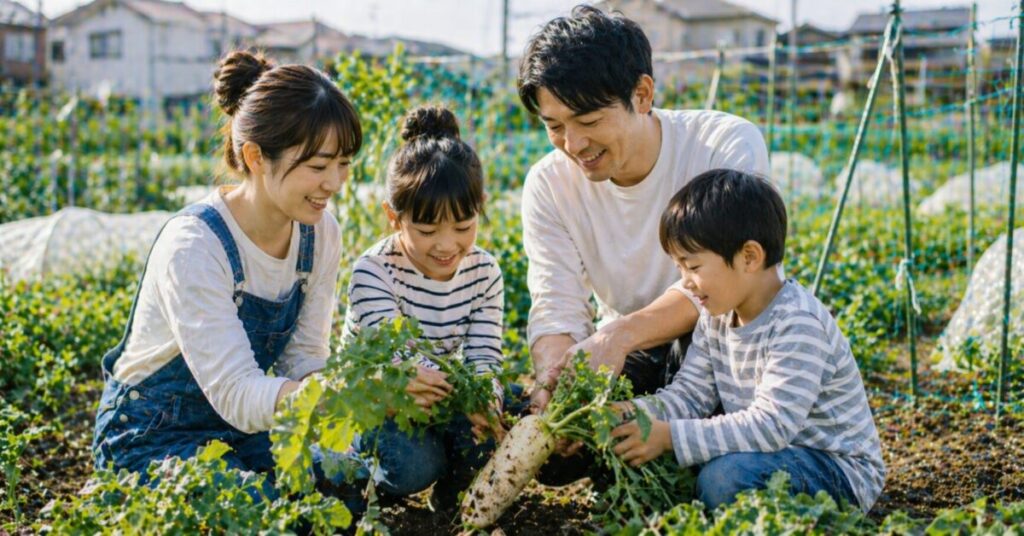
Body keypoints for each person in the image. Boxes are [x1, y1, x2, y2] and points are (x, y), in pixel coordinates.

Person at [92, 50, 361, 502]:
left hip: (240, 427)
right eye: (318, 166)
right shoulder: (196, 245)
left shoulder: (320, 234)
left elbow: (304, 358)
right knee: (254, 507)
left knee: (344, 486)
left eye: (344, 163)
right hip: (151, 436)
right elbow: (235, 391)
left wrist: (344, 393)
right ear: (255, 156)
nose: (334, 182)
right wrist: (324, 399)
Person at [517, 5, 769, 482]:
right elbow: (556, 302)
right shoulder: (549, 184)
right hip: (634, 356)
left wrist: (618, 335)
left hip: (722, 345)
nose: (572, 144)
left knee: (714, 458)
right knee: (552, 454)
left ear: (642, 94)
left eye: (588, 119)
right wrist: (554, 380)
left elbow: (729, 285)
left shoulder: (723, 146)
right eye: (554, 126)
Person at [610, 169, 886, 512]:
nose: (686, 283)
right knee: (670, 464)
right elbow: (689, 396)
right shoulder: (716, 318)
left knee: (725, 479)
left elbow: (771, 426)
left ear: (749, 257)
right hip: (767, 455)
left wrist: (670, 437)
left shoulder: (798, 324)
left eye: (692, 266)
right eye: (679, 268)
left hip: (836, 470)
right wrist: (630, 415)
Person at [342, 105, 506, 510]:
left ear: (480, 206)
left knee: (505, 424)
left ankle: (453, 493)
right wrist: (452, 396)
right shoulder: (374, 272)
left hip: (440, 395)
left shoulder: (484, 271)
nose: (447, 245)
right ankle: (358, 477)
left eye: (464, 227)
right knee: (414, 464)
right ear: (393, 218)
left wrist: (487, 397)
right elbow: (397, 357)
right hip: (382, 402)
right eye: (428, 230)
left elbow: (484, 355)